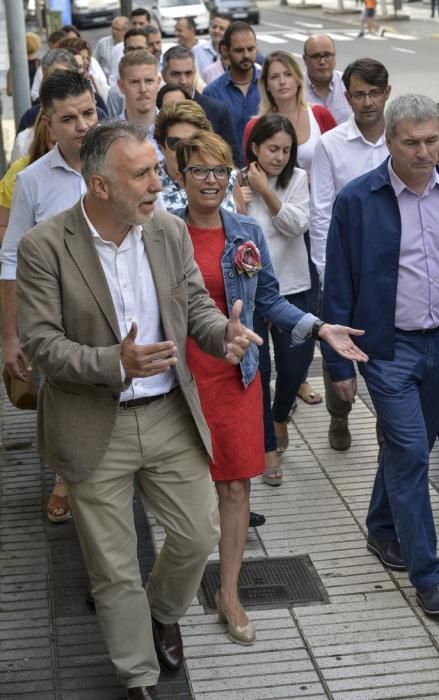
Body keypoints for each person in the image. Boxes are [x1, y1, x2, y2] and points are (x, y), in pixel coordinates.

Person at [16, 119, 264, 697]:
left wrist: (218, 335)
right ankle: (138, 676)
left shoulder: (168, 231)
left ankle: (160, 612)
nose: (159, 182)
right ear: (100, 186)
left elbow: (194, 305)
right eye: (144, 174)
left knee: (197, 534)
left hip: (168, 413)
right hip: (90, 421)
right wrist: (114, 363)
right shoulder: (44, 246)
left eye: (156, 169)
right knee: (113, 567)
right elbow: (40, 343)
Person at [173, 130, 368, 644]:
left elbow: (271, 302)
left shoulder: (246, 233)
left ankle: (229, 592)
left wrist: (318, 326)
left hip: (238, 376)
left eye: (220, 170)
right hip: (181, 383)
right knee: (187, 496)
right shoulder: (162, 235)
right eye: (199, 171)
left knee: (236, 487)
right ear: (180, 176)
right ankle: (167, 596)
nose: (211, 180)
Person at [322, 94, 439, 618]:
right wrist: (337, 363)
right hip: (388, 351)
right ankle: (429, 575)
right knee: (414, 453)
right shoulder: (357, 200)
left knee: (406, 448)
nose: (423, 152)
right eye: (411, 142)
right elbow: (339, 283)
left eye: (432, 141)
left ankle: (380, 527)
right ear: (389, 141)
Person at [0, 71, 98, 524]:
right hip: (55, 322)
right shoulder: (33, 181)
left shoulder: (121, 161)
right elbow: (10, 260)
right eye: (69, 118)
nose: (82, 125)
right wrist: (10, 337)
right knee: (60, 406)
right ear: (48, 124)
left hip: (117, 315)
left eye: (89, 113)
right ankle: (65, 477)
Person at [310, 58, 390, 451]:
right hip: (346, 268)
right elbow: (321, 211)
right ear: (348, 97)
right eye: (359, 94)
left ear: (387, 93)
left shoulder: (401, 138)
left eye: (374, 93)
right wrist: (328, 274)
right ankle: (338, 415)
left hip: (390, 272)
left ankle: (385, 427)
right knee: (337, 345)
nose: (367, 102)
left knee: (385, 352)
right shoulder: (331, 144)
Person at [241, 113, 311, 485]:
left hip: (293, 286)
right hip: (251, 295)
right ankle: (267, 450)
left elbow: (297, 224)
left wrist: (266, 192)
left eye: (286, 150)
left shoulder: (297, 180)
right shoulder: (237, 180)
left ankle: (280, 414)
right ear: (255, 148)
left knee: (295, 365)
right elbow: (234, 232)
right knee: (259, 373)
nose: (280, 156)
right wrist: (242, 199)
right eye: (272, 149)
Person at [153, 101, 244, 216]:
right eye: (175, 143)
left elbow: (242, 226)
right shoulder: (152, 186)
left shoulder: (226, 176)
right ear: (161, 147)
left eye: (193, 142)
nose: (184, 150)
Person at [162, 46, 241, 166]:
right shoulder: (154, 110)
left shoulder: (217, 111)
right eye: (176, 74)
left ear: (195, 72)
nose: (183, 81)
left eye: (188, 73)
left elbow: (233, 159)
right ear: (163, 75)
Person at [203, 21, 261, 154]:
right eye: (239, 50)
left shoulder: (269, 86)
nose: (246, 55)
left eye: (251, 49)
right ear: (225, 50)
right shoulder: (212, 93)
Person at [0, 112, 54, 242]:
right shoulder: (21, 170)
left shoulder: (96, 168)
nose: (62, 150)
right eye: (54, 143)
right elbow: (2, 224)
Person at [117, 50, 161, 159]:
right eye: (135, 82)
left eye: (149, 81)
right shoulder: (109, 137)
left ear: (158, 83)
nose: (143, 89)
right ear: (121, 86)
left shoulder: (175, 130)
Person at [303, 35, 352, 126]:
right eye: (316, 56)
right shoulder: (294, 88)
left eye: (327, 55)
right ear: (305, 60)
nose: (322, 62)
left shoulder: (349, 83)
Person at [106, 28, 154, 119]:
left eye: (140, 48)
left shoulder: (162, 85)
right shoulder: (115, 93)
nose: (135, 53)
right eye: (131, 49)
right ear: (124, 52)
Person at [109, 8, 152, 88]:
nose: (137, 26)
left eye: (141, 23)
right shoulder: (118, 49)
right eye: (134, 23)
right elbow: (114, 78)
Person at [6, 32, 41, 96]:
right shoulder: (42, 65)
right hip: (39, 103)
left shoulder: (14, 68)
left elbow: (10, 91)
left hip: (22, 104)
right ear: (37, 45)